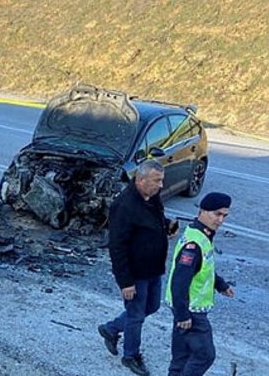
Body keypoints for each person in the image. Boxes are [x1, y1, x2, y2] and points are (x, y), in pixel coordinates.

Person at [98, 160, 176, 376]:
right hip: (135, 274)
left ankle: (111, 329)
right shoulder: (124, 205)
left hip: (153, 269)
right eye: (157, 181)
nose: (161, 185)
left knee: (151, 307)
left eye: (162, 180)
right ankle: (130, 356)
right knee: (136, 315)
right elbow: (117, 247)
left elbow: (154, 218)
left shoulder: (152, 197)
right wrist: (126, 282)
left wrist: (166, 225)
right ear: (141, 180)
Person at [165, 192, 234, 376]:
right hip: (191, 310)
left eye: (224, 216)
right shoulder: (194, 244)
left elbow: (204, 267)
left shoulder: (199, 233)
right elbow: (179, 281)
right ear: (203, 211)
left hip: (183, 306)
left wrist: (220, 284)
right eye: (217, 214)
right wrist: (182, 315)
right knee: (205, 355)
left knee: (181, 355)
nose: (221, 220)